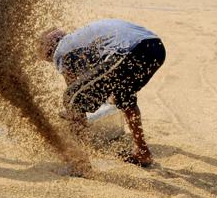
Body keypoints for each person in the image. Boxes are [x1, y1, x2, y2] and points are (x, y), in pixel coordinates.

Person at [39, 19, 166, 167]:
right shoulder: (82, 40)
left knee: (71, 99)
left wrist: (70, 113)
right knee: (123, 96)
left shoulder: (61, 50)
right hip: (155, 47)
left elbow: (74, 89)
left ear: (48, 50)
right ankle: (142, 152)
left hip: (129, 50)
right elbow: (99, 80)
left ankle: (80, 161)